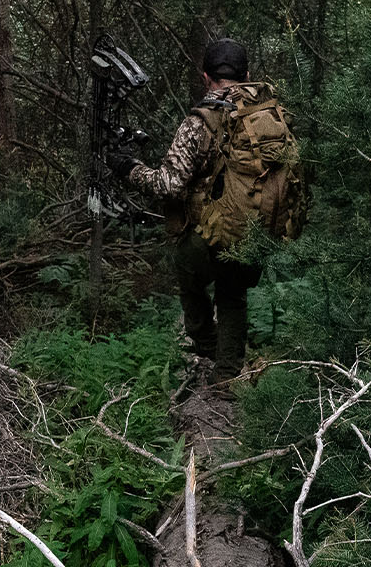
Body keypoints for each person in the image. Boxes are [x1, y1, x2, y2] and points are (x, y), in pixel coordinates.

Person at [108, 38, 263, 389]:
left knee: (190, 281)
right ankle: (227, 375)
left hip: (209, 239)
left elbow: (168, 185)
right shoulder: (268, 119)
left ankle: (207, 347)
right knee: (233, 296)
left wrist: (129, 168)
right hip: (255, 236)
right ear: (248, 75)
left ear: (206, 77)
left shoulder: (200, 122)